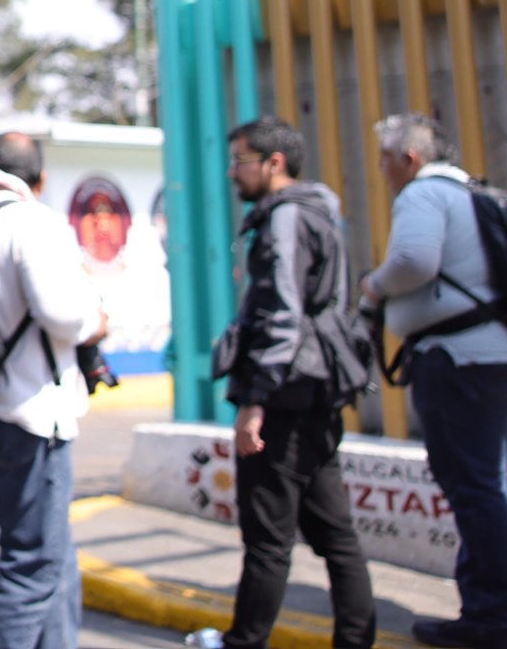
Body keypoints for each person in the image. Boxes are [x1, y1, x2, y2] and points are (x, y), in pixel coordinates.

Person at [213, 116, 374, 649]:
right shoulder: (322, 210)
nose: (233, 172)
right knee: (334, 531)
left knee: (267, 539)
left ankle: (244, 642)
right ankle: (356, 638)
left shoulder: (284, 220)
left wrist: (255, 401)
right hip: (318, 387)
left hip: (284, 391)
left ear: (273, 163)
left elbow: (283, 314)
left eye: (240, 161)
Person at [0, 132, 106, 649]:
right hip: (29, 415)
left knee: (51, 549)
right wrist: (96, 321)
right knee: (32, 562)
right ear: (39, 179)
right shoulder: (31, 221)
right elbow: (61, 314)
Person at [359, 113, 506, 648]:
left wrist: (373, 289)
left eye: (384, 159)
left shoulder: (423, 195)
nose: (381, 170)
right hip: (490, 359)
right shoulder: (475, 193)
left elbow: (415, 259)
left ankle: (491, 617)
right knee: (491, 484)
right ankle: (487, 606)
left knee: (474, 489)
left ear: (409, 159)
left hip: (455, 363)